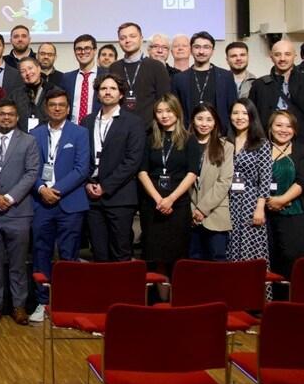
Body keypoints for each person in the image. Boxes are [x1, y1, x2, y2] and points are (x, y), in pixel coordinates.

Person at [28, 88, 90, 323]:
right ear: (46, 108)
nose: (56, 108)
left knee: (68, 256)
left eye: (61, 105)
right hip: (41, 203)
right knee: (41, 253)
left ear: (68, 108)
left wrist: (57, 190)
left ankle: (67, 303)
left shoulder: (80, 133)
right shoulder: (35, 134)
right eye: (52, 104)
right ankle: (42, 302)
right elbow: (30, 168)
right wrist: (42, 189)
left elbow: (82, 169)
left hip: (70, 203)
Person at [0, 98, 40, 325]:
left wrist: (10, 198)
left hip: (19, 211)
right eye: (2, 114)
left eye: (10, 114)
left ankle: (19, 306)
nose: (6, 117)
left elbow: (32, 173)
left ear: (17, 117)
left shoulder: (29, 141)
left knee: (18, 263)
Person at [82, 75, 146, 262]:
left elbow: (132, 161)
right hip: (92, 197)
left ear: (121, 94)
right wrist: (87, 183)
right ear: (98, 94)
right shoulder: (88, 121)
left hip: (119, 196)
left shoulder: (133, 122)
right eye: (103, 89)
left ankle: (123, 284)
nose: (107, 92)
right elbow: (82, 156)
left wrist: (106, 186)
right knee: (99, 253)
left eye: (112, 88)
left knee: (121, 252)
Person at [137, 94, 201, 275]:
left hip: (178, 204)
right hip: (153, 204)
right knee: (154, 256)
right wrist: (159, 199)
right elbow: (142, 172)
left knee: (177, 256)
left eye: (168, 111)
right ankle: (159, 292)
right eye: (159, 111)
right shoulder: (149, 138)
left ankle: (175, 292)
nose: (164, 115)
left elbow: (192, 173)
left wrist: (171, 199)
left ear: (177, 112)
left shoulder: (189, 139)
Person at [248, 38, 304, 147]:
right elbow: (252, 118)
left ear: (295, 56)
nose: (282, 59)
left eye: (287, 54)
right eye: (277, 54)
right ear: (271, 57)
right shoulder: (259, 85)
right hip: (267, 145)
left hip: (302, 144)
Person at [264, 110, 304, 277]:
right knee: (270, 261)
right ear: (270, 127)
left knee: (292, 260)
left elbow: (303, 181)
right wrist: (267, 202)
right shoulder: (260, 149)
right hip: (265, 215)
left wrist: (282, 200)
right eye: (278, 125)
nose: (283, 130)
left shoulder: (303, 151)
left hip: (295, 213)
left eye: (289, 126)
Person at [226, 100, 271, 266]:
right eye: (235, 113)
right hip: (227, 201)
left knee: (250, 247)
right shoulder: (225, 142)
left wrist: (260, 207)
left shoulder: (261, 143)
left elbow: (265, 177)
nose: (239, 117)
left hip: (250, 201)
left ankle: (251, 282)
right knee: (229, 245)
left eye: (244, 113)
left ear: (252, 116)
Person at [188, 104, 233, 262]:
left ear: (215, 123)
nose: (204, 124)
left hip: (216, 212)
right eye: (199, 119)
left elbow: (224, 181)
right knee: (193, 262)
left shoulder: (226, 147)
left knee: (217, 261)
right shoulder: (184, 144)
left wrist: (202, 208)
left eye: (209, 119)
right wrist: (194, 209)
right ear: (193, 121)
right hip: (189, 212)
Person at [171, 31, 239, 131]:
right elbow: (175, 111)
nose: (201, 52)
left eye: (206, 47)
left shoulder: (226, 76)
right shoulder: (179, 79)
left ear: (212, 51)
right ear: (191, 50)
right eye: (197, 47)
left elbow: (233, 108)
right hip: (188, 134)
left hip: (220, 134)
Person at [113, 22, 172, 123]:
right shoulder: (114, 68)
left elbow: (164, 101)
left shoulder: (157, 66)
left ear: (141, 39)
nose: (127, 40)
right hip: (120, 126)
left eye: (132, 36)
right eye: (123, 38)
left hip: (149, 128)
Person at [61, 34, 106, 124]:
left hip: (98, 126)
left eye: (87, 48)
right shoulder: (67, 78)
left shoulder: (106, 76)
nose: (83, 52)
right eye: (79, 49)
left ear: (95, 51)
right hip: (73, 128)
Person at [13, 56, 48, 131]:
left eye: (30, 68)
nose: (28, 73)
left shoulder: (53, 92)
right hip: (22, 136)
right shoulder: (15, 95)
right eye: (23, 71)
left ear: (39, 68)